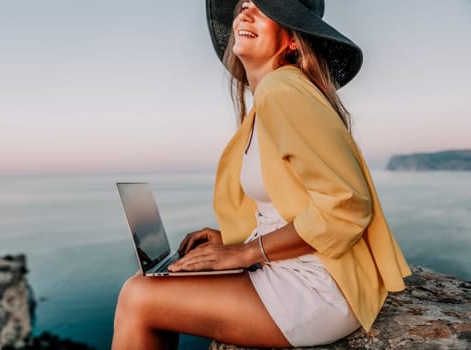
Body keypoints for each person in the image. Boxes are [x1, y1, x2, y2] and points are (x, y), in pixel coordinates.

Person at [111, 0, 411, 348]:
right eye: (243, 5)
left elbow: (345, 206)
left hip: (318, 286)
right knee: (149, 285)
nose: (245, 13)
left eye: (265, 7)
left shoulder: (283, 91)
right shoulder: (272, 98)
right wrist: (231, 239)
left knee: (138, 295)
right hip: (295, 269)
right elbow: (291, 204)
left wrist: (246, 252)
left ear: (293, 39)